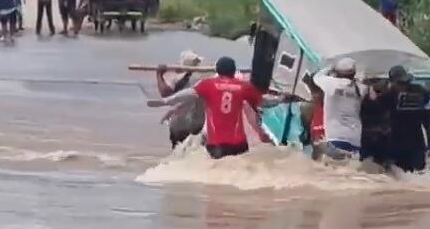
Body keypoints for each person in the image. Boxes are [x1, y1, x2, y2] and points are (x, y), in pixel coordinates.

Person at [148, 56, 290, 159]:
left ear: (217, 70)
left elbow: (186, 95)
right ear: (234, 71)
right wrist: (282, 99)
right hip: (238, 143)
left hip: (216, 144)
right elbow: (263, 102)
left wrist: (165, 101)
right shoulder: (244, 87)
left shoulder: (207, 84)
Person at [302, 57, 367, 161]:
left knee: (332, 168)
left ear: (337, 72)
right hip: (355, 138)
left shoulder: (330, 84)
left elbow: (316, 77)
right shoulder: (361, 89)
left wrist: (330, 67)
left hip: (336, 136)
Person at [378, 65, 430, 173]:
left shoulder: (390, 95)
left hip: (412, 140)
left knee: (415, 173)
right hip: (400, 141)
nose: (403, 86)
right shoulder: (419, 90)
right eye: (401, 83)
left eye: (405, 82)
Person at [156, 50, 207, 148]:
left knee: (177, 153)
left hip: (179, 125)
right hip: (197, 125)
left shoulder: (179, 79)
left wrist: (159, 75)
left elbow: (165, 93)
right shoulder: (204, 78)